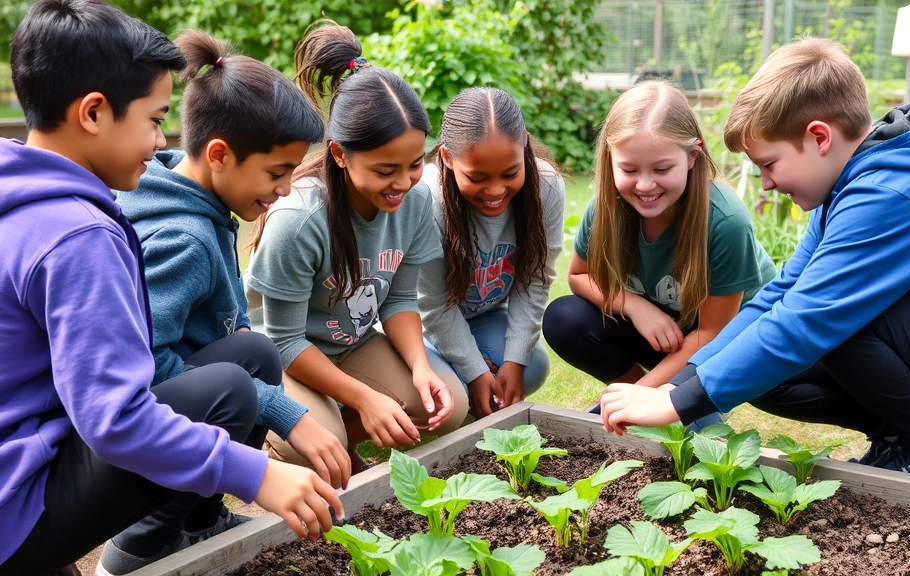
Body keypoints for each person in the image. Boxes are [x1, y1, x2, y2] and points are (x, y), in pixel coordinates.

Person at [0, 2, 341, 576]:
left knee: (244, 360)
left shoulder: (23, 193)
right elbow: (117, 420)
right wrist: (256, 473)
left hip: (21, 458)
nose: (162, 138)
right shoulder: (78, 237)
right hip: (15, 509)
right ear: (94, 113)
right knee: (228, 387)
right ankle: (137, 550)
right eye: (156, 120)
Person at [600, 37, 910, 486]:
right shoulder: (851, 185)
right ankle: (905, 439)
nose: (764, 185)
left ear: (819, 137)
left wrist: (674, 406)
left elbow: (807, 317)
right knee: (773, 370)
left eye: (769, 164)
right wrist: (682, 384)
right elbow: (778, 296)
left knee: (834, 316)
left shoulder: (891, 194)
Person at [98, 29, 353, 574]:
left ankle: (199, 523)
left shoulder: (185, 192)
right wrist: (279, 408)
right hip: (137, 424)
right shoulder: (184, 239)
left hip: (186, 396)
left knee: (252, 354)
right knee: (244, 380)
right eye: (277, 172)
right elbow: (142, 365)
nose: (285, 189)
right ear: (219, 155)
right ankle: (142, 545)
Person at [245, 20, 470, 467]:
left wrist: (421, 367)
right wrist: (367, 397)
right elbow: (285, 342)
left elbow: (400, 297)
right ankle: (285, 435)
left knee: (449, 408)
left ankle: (335, 423)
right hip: (287, 355)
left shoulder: (416, 199)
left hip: (353, 342)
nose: (402, 182)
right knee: (318, 442)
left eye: (412, 164)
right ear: (340, 155)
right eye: (385, 169)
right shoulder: (300, 219)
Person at [543, 80, 775, 428]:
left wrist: (643, 394)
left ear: (692, 156)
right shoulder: (605, 208)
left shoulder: (725, 221)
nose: (645, 185)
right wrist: (636, 307)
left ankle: (676, 400)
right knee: (565, 318)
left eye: (662, 169)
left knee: (702, 424)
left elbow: (713, 331)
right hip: (666, 328)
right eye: (630, 170)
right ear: (611, 159)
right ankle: (665, 402)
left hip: (729, 341)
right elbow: (579, 275)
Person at [418, 87, 565, 417]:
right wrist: (474, 370)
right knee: (454, 397)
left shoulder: (547, 186)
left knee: (531, 366)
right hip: (421, 325)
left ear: (524, 145)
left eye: (510, 173)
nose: (496, 190)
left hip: (482, 316)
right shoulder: (427, 201)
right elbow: (432, 304)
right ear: (447, 159)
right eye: (477, 177)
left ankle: (472, 376)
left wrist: (512, 361)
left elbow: (535, 279)